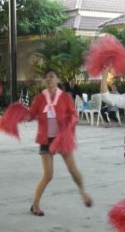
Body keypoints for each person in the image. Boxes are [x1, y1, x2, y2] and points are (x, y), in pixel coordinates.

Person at [28, 68, 92, 216]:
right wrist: (18, 115)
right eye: (46, 77)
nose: (49, 79)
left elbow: (74, 115)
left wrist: (70, 123)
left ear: (58, 79)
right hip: (46, 139)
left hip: (62, 139)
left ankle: (83, 192)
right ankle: (35, 205)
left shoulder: (65, 97)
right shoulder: (40, 98)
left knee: (73, 169)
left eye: (52, 77)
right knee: (48, 175)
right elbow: (31, 115)